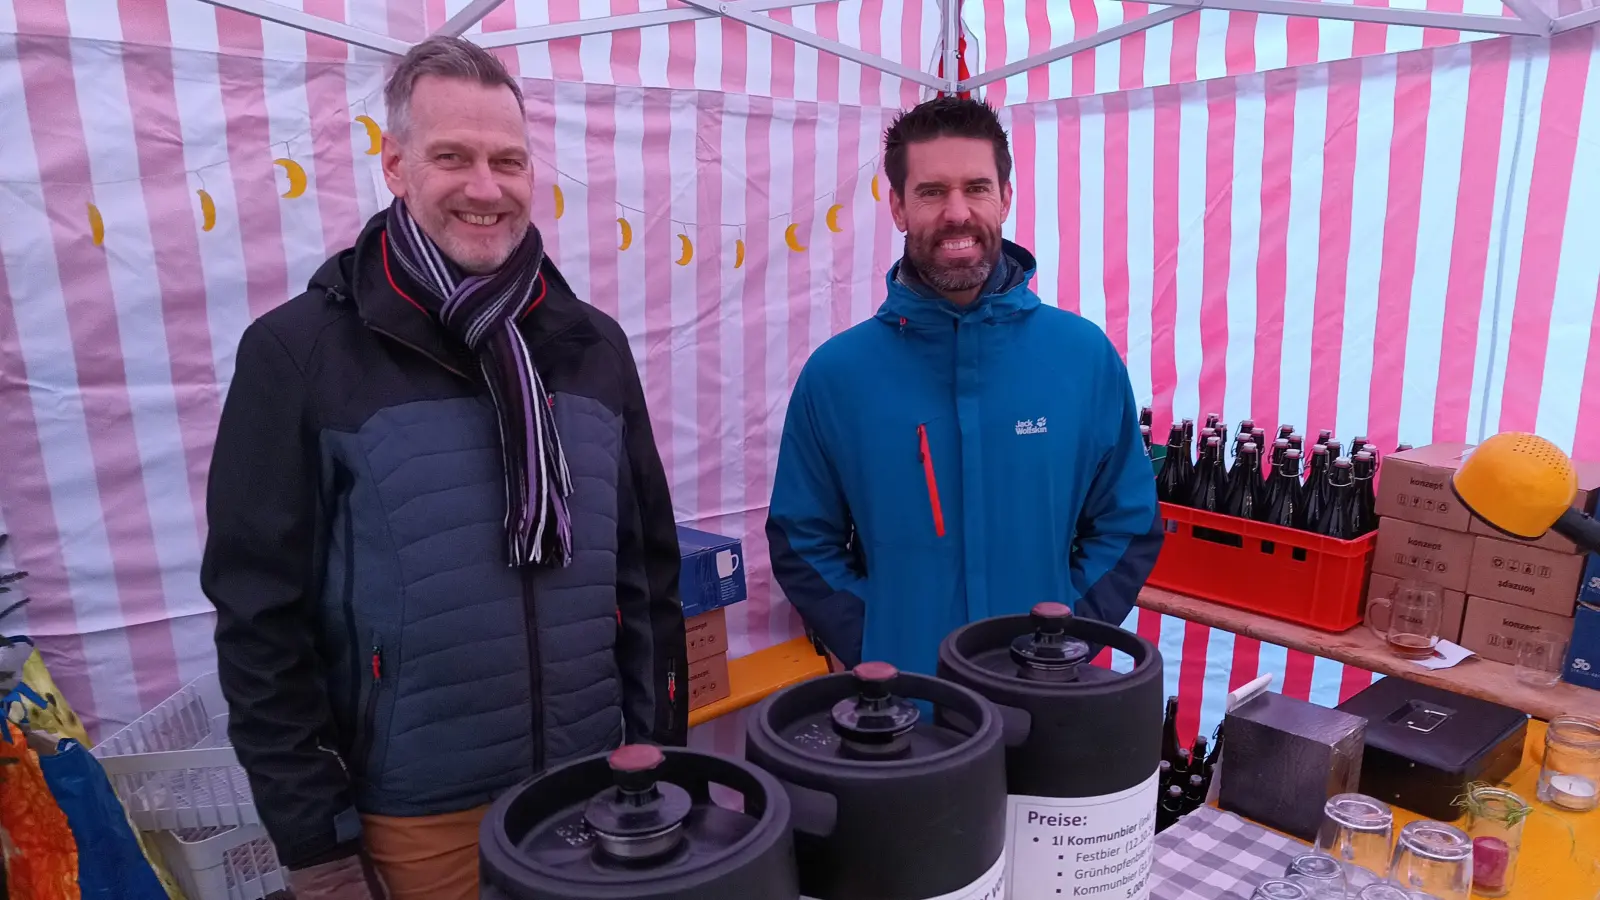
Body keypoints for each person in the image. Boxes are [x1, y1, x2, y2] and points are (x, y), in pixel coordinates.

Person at [200, 37, 687, 900]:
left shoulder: (591, 347)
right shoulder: (301, 354)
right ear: (395, 165)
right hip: (419, 824)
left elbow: (646, 580)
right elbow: (259, 621)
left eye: (508, 161)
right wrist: (316, 846)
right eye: (452, 157)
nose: (485, 189)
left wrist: (659, 757)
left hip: (597, 795)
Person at [767, 96, 1163, 677]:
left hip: (1045, 700)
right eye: (932, 192)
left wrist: (1065, 632)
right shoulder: (837, 376)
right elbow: (801, 538)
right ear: (898, 207)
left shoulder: (1082, 358)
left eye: (976, 188)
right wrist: (876, 639)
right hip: (903, 707)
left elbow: (1127, 521)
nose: (957, 213)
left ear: (1005, 198)